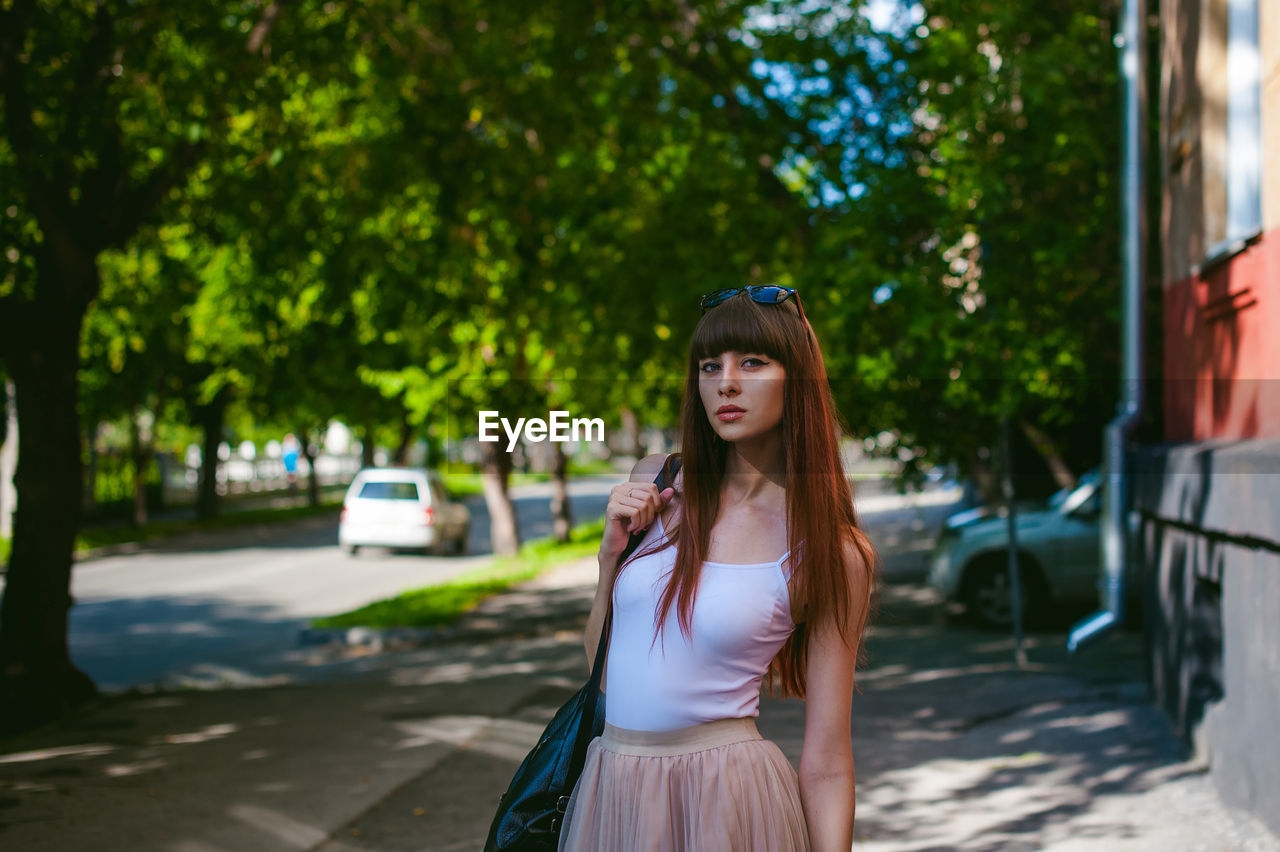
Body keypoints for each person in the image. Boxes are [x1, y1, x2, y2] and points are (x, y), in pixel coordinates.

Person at [560, 286, 879, 851]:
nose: (726, 382)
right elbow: (605, 675)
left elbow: (828, 759)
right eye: (711, 365)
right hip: (615, 790)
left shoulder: (830, 551)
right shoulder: (656, 484)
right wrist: (610, 560)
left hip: (727, 799)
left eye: (752, 362)